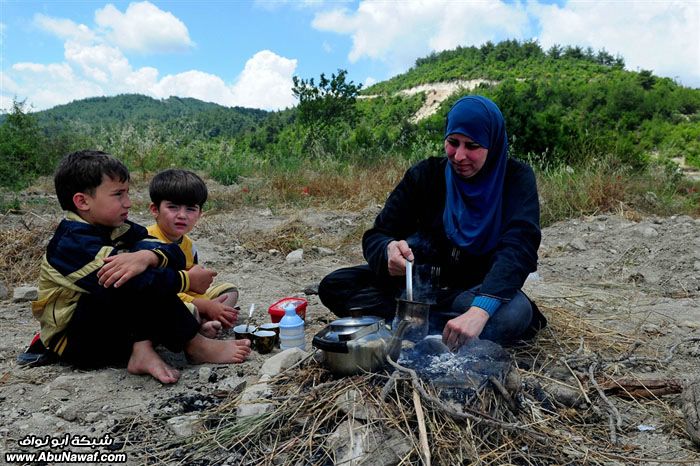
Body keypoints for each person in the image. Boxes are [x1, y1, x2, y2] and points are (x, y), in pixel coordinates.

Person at [318, 95, 546, 349]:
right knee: (335, 285)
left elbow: (520, 248)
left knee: (514, 314)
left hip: (476, 292)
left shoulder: (515, 178)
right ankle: (438, 328)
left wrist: (479, 311)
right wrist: (388, 250)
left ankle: (427, 326)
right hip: (418, 290)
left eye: (472, 146)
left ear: (492, 144)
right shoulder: (425, 175)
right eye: (453, 142)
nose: (459, 156)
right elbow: (378, 233)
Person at [31, 150, 251, 384]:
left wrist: (147, 256)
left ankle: (143, 350)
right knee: (134, 281)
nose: (128, 202)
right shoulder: (72, 243)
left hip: (112, 329)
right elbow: (140, 283)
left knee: (142, 274)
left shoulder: (116, 226)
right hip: (77, 344)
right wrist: (185, 281)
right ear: (82, 201)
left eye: (127, 193)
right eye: (118, 194)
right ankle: (194, 344)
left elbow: (171, 251)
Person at [147, 169, 239, 336]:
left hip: (191, 296)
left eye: (190, 209)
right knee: (188, 310)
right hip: (166, 301)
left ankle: (208, 319)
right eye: (173, 207)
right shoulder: (147, 242)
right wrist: (205, 306)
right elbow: (158, 291)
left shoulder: (189, 245)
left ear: (200, 213)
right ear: (155, 209)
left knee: (230, 291)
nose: (182, 215)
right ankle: (205, 321)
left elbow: (194, 286)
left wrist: (206, 301)